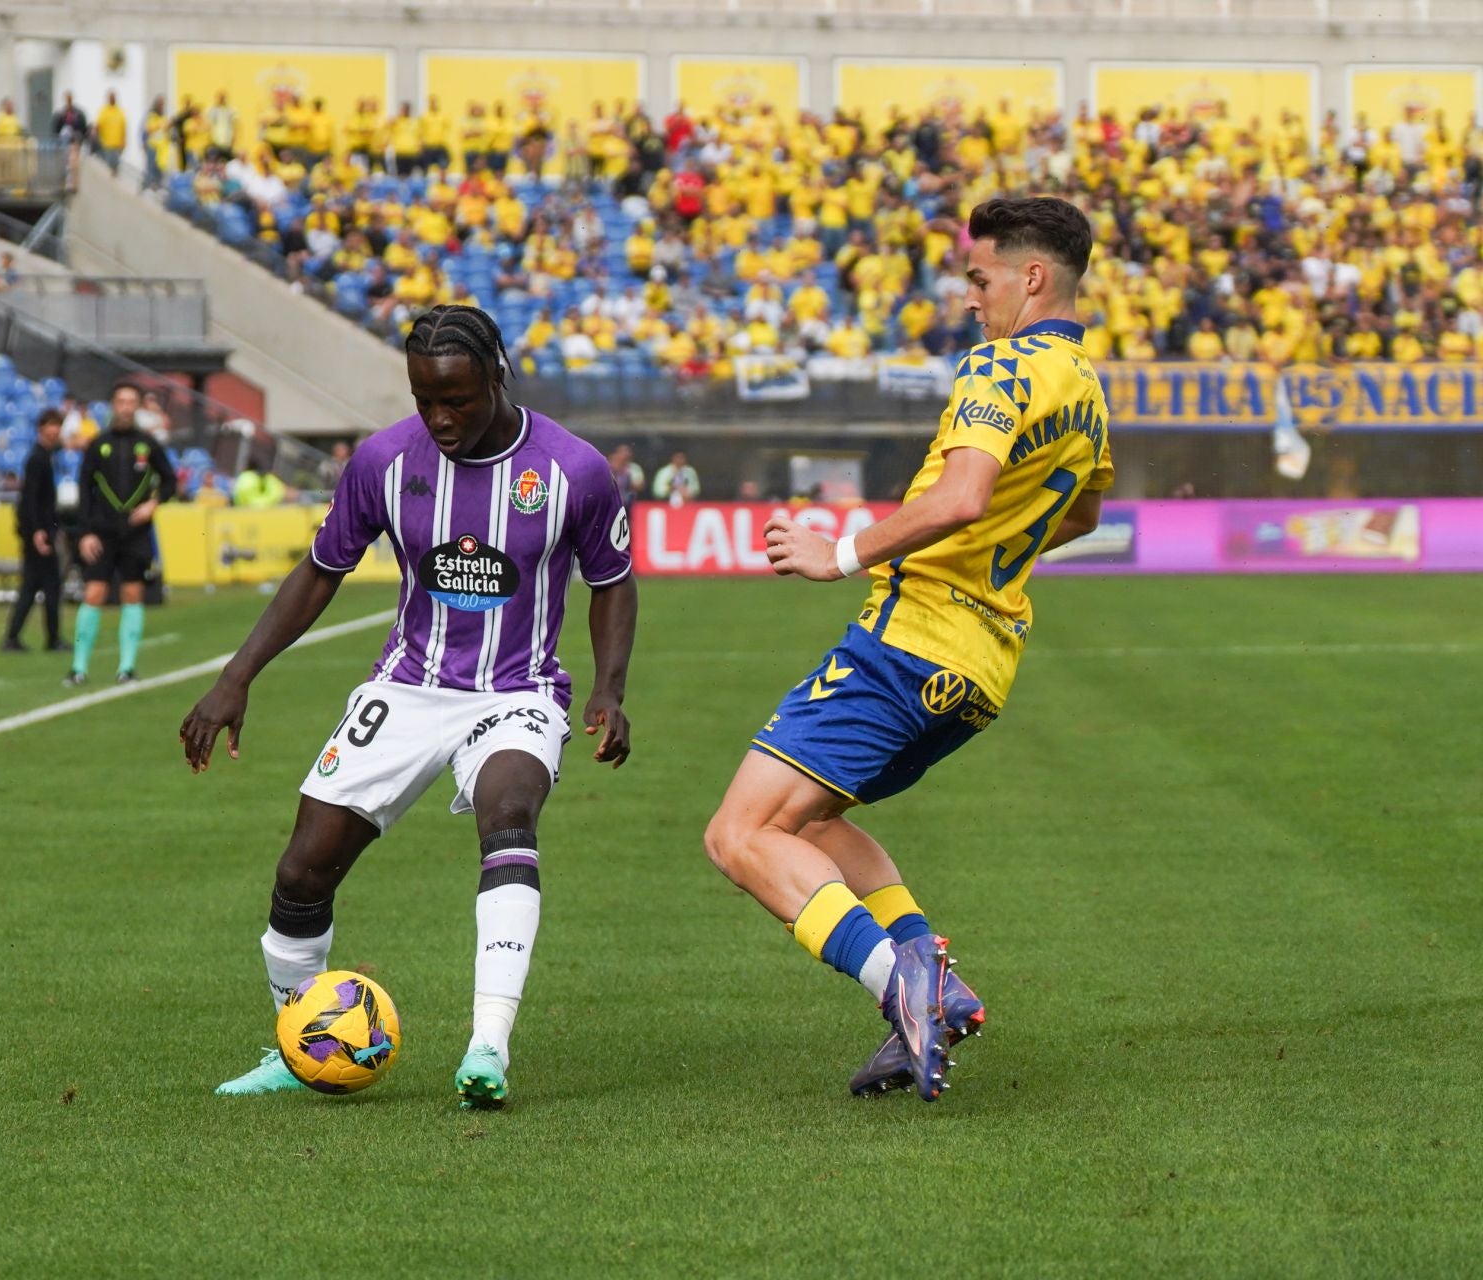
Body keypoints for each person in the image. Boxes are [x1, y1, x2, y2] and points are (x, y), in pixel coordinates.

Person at [700, 197, 1113, 1102]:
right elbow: (1080, 511)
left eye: (980, 277)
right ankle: (934, 977)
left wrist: (836, 554)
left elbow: (964, 496)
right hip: (983, 664)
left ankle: (902, 986)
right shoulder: (1085, 384)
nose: (970, 297)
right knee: (810, 821)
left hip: (910, 642)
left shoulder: (1003, 363)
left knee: (737, 835)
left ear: (1031, 277)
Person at [182, 304, 638, 1109]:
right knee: (303, 866)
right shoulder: (385, 461)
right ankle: (302, 1043)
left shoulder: (573, 470)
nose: (440, 416)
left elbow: (611, 582)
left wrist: (609, 687)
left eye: (457, 398)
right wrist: (237, 675)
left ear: (496, 376)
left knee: (509, 813)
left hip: (518, 690)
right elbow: (323, 568)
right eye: (426, 398)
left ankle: (487, 1045)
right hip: (406, 686)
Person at [67, 381, 175, 687]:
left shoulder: (149, 444)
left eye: (131, 402)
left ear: (137, 407)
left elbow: (169, 482)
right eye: (121, 401)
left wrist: (153, 504)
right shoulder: (98, 444)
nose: (126, 407)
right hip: (101, 533)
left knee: (132, 593)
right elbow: (84, 490)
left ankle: (126, 668)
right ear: (113, 405)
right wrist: (85, 533)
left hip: (136, 534)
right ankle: (78, 668)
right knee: (94, 594)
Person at [3, 408, 67, 653]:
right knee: (47, 586)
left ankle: (15, 637)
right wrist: (38, 531)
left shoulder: (45, 456)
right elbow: (30, 499)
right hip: (38, 532)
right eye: (51, 425)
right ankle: (51, 638)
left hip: (38, 530)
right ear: (42, 428)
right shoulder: (38, 459)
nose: (55, 431)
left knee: (32, 587)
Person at [94, 92, 127, 172]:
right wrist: (98, 139)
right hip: (107, 144)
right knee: (108, 166)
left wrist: (124, 141)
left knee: (116, 165)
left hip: (118, 144)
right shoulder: (104, 111)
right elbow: (98, 126)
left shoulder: (119, 111)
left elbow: (124, 128)